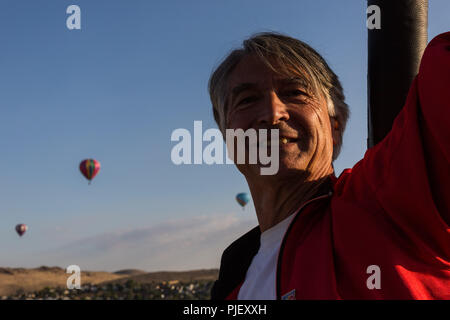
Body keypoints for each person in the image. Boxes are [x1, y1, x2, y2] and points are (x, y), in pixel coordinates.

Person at [208, 31, 450, 299]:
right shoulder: (234, 280)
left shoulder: (384, 202)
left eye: (295, 92)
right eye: (248, 100)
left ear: (335, 126)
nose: (273, 113)